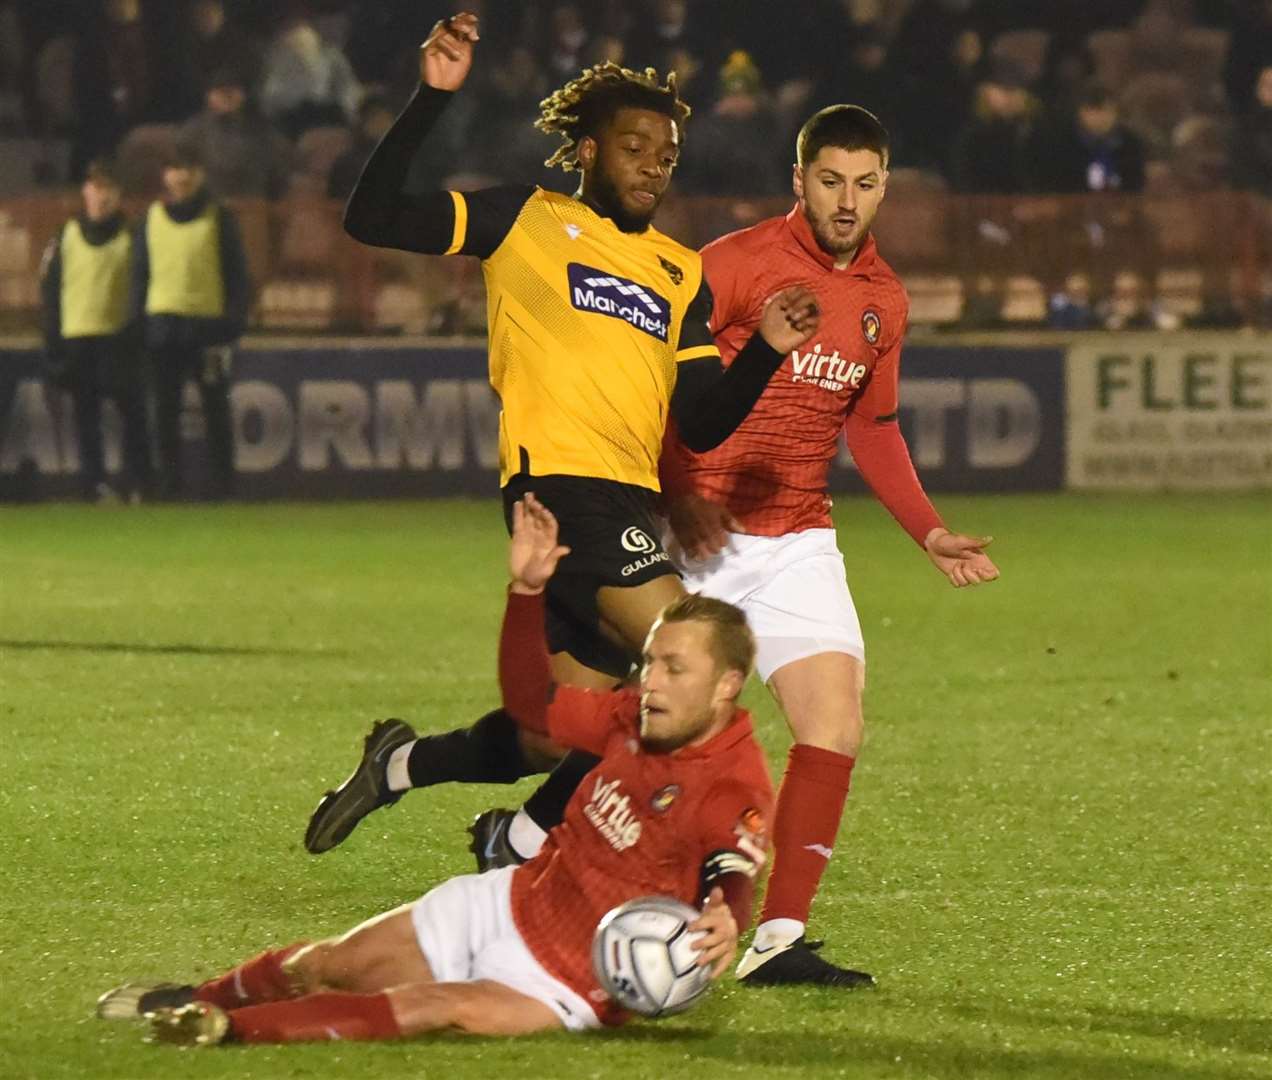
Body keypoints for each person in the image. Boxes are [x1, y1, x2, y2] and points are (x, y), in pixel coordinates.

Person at [305, 12, 817, 856]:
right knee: (689, 664)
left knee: (555, 734)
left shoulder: (678, 270)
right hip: (559, 488)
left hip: (629, 500)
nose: (654, 163)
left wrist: (762, 352)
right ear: (587, 150)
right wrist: (430, 101)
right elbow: (372, 216)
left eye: (666, 153)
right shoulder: (525, 219)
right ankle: (536, 842)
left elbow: (703, 419)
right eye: (634, 145)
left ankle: (399, 766)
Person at [96, 495, 773, 1045]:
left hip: (568, 982)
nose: (650, 681)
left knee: (426, 1005)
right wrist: (525, 593)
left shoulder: (732, 778)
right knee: (326, 965)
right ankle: (198, 997)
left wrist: (727, 915)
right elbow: (528, 706)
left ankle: (220, 1030)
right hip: (503, 905)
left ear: (726, 686)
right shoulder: (634, 716)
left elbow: (733, 867)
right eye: (650, 661)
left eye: (673, 669)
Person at [131, 143, 250, 500]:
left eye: (188, 168)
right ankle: (168, 489)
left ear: (200, 173)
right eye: (174, 168)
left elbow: (236, 273)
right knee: (163, 414)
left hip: (207, 328)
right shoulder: (149, 219)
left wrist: (232, 322)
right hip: (162, 327)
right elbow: (140, 274)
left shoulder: (219, 216)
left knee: (216, 410)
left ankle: (222, 488)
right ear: (165, 175)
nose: (181, 176)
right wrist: (138, 323)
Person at [38, 159, 151, 502]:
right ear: (85, 191)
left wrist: (135, 329)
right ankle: (93, 484)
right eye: (96, 188)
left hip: (119, 337)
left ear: (119, 195)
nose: (102, 197)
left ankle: (139, 482)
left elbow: (144, 285)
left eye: (109, 190)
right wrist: (53, 342)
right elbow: (50, 291)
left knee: (132, 414)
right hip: (78, 336)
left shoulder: (133, 235)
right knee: (86, 418)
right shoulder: (65, 235)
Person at [177, 67, 292, 200]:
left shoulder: (264, 130)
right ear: (208, 96)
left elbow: (281, 174)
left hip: (254, 205)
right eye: (220, 91)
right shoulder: (192, 131)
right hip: (207, 206)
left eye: (232, 91)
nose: (226, 96)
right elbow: (181, 170)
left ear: (244, 95)